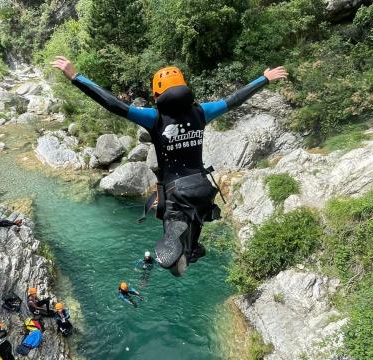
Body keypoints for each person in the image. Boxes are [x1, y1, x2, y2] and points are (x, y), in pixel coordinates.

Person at [52, 57, 288, 276]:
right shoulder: (201, 112)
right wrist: (264, 79)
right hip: (203, 188)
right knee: (194, 229)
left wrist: (76, 77)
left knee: (174, 252)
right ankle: (192, 249)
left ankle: (178, 252)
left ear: (157, 95)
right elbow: (234, 100)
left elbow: (114, 105)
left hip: (175, 193)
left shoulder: (154, 118)